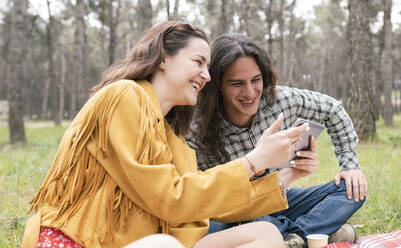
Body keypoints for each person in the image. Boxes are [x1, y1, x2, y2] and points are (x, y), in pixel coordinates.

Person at [21, 21, 314, 248]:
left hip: (137, 242)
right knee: (165, 244)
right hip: (82, 241)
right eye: (198, 62)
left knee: (265, 233)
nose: (207, 75)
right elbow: (169, 199)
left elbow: (195, 205)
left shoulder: (169, 135)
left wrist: (286, 176)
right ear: (163, 58)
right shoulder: (124, 95)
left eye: (208, 67)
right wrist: (252, 161)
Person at [186, 33, 367, 247]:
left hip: (282, 198)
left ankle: (297, 237)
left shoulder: (282, 100)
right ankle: (314, 234)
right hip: (237, 213)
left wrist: (350, 165)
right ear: (217, 85)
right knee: (232, 224)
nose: (250, 92)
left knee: (351, 188)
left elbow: (333, 110)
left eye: (256, 80)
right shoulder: (198, 127)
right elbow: (208, 200)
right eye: (237, 83)